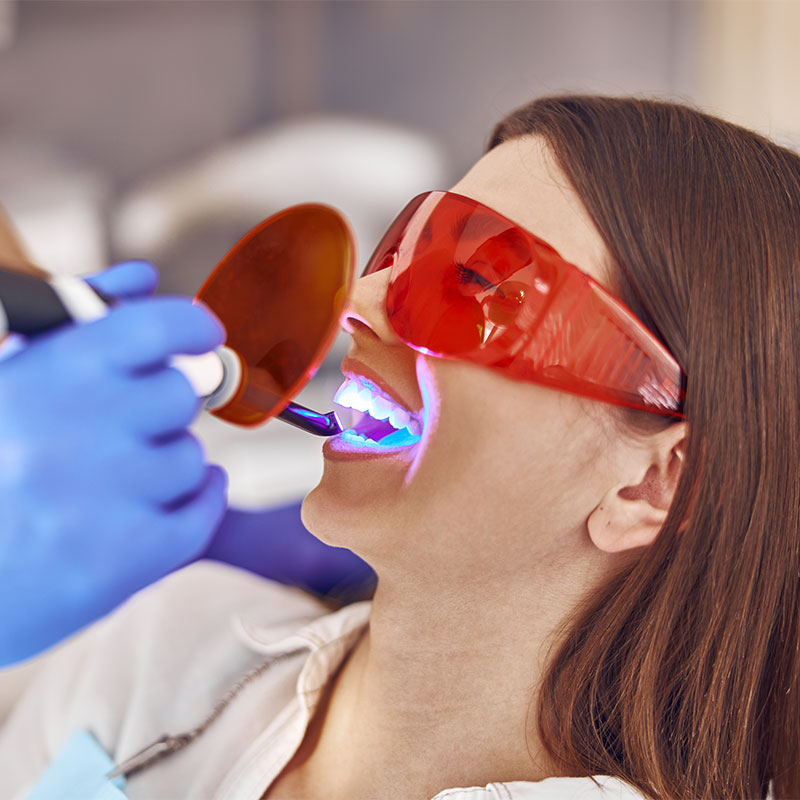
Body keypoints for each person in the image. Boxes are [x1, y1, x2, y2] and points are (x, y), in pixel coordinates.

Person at [1, 93, 797, 800]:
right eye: (403, 251)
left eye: (477, 283)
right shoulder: (168, 643)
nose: (354, 303)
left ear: (653, 486)